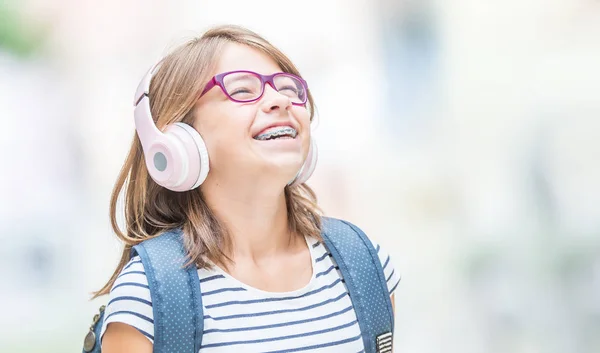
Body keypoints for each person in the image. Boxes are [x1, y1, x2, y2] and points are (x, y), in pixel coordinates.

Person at [94, 25, 400, 352]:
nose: (280, 101)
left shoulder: (365, 267)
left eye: (289, 89)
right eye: (241, 90)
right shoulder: (150, 299)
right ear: (178, 141)